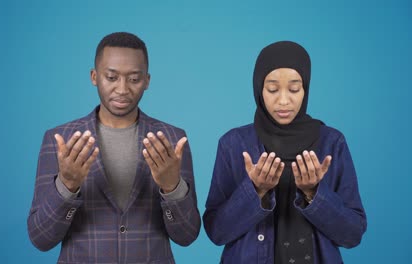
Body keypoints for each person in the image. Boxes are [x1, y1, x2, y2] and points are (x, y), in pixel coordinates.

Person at [27, 32, 201, 263]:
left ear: (147, 81)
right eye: (111, 77)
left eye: (134, 79)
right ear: (94, 76)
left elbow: (187, 235)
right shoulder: (60, 140)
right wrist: (67, 185)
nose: (122, 89)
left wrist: (172, 187)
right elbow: (40, 238)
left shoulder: (172, 139)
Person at [203, 41, 366, 263]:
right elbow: (217, 232)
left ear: (305, 89)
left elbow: (353, 235)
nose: (283, 100)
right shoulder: (233, 144)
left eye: (294, 89)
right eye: (272, 89)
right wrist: (255, 191)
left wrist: (314, 193)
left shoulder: (332, 142)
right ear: (259, 89)